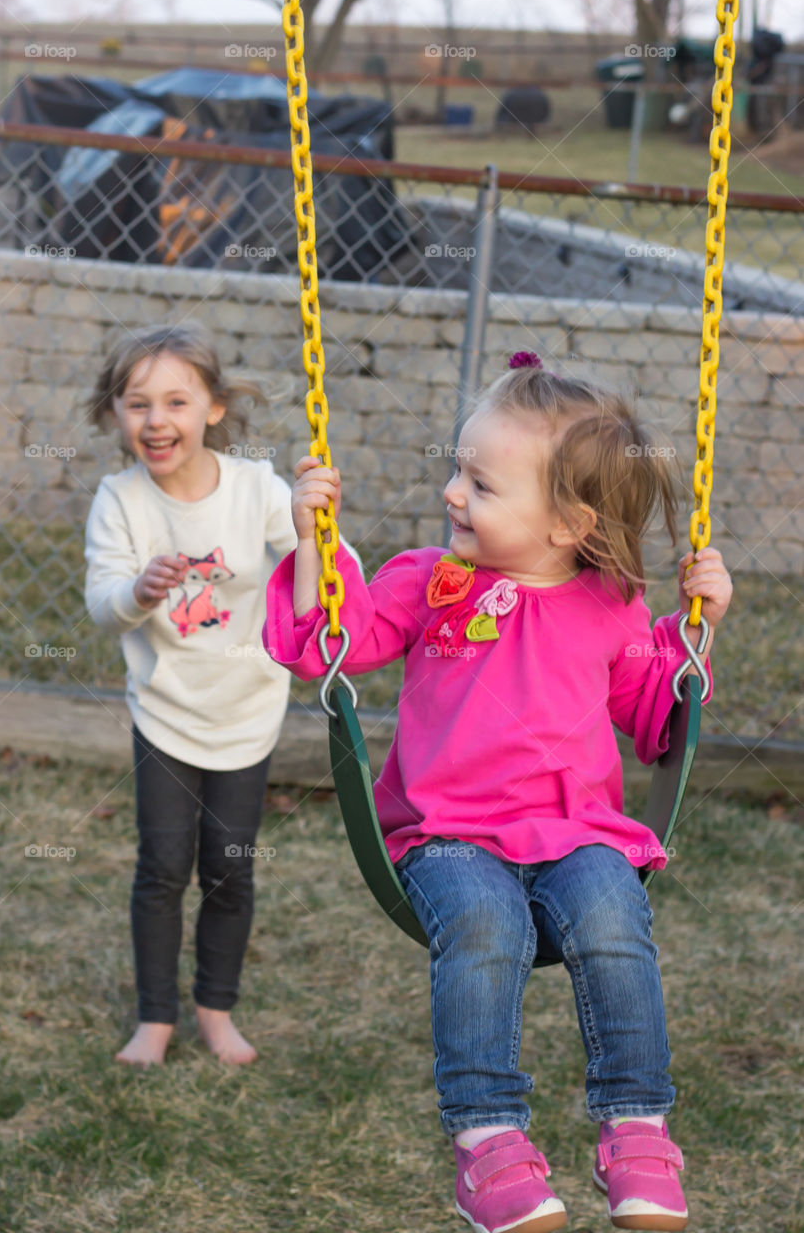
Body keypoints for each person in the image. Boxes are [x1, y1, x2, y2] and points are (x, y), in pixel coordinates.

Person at [263, 352, 733, 1233]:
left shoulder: (610, 607)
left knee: (613, 920)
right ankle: (487, 1143)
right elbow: (334, 641)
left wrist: (692, 636)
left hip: (577, 830)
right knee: (485, 928)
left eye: (480, 483)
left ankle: (634, 1126)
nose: (451, 493)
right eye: (458, 470)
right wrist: (312, 549)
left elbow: (647, 715)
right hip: (449, 835)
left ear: (567, 524)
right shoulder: (428, 582)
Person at [85, 323, 299, 1068]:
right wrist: (137, 591)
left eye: (176, 400)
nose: (155, 420)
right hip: (167, 713)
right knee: (162, 867)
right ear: (115, 412)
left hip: (247, 709)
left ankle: (215, 1008)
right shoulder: (119, 501)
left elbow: (317, 568)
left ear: (212, 408)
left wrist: (315, 524)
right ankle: (154, 1019)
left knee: (229, 869)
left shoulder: (255, 487)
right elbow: (102, 602)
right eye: (136, 402)